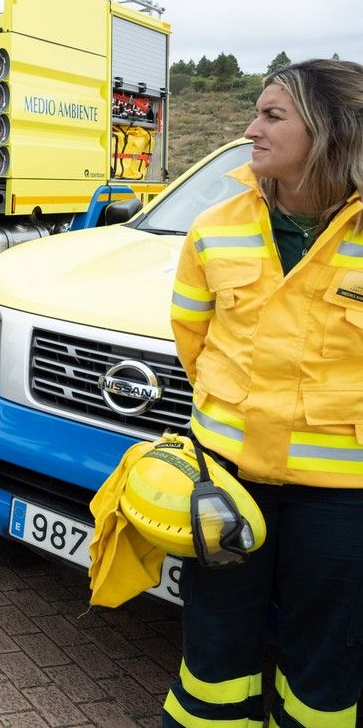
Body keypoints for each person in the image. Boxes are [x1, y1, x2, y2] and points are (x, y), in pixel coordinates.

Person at [165, 58, 363, 726]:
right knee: (214, 652)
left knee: (324, 667)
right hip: (225, 482)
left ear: (334, 129)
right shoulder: (215, 227)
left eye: (272, 115)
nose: (250, 128)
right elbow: (194, 343)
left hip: (341, 501)